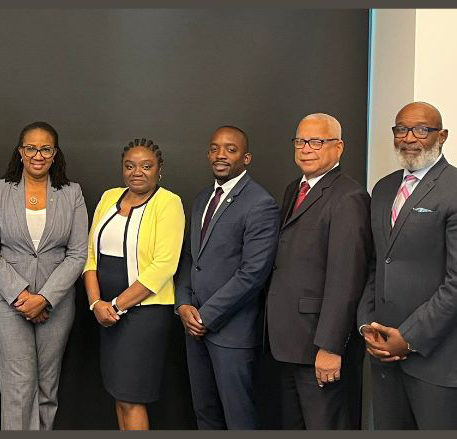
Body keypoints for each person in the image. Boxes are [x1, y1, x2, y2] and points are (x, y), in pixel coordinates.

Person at [0, 121, 87, 430]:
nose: (38, 155)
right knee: (19, 387)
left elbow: (78, 253)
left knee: (47, 388)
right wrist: (23, 296)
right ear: (20, 152)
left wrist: (45, 298)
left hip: (56, 304)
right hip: (7, 304)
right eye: (31, 148)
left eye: (46, 148)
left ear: (55, 153)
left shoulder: (72, 193)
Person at [265, 113, 370, 429]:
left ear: (338, 147)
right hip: (285, 341)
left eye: (316, 141)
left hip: (317, 345)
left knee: (324, 425)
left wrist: (330, 346)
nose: (306, 148)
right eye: (300, 141)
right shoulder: (293, 189)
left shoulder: (349, 197)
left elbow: (346, 278)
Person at [357, 102, 457, 429]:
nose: (409, 137)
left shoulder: (453, 188)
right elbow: (376, 264)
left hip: (436, 361)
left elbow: (455, 284)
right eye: (401, 129)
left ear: (441, 136)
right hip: (382, 355)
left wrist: (409, 337)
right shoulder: (383, 189)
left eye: (422, 130)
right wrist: (367, 326)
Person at [174, 126, 279, 429]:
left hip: (231, 332)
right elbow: (190, 258)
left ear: (246, 158)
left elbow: (253, 274)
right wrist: (183, 306)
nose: (221, 155)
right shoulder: (202, 198)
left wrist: (205, 316)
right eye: (215, 148)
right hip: (192, 324)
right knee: (205, 413)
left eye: (230, 149)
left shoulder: (260, 203)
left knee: (238, 419)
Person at [83, 138, 185, 430]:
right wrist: (95, 304)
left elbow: (164, 266)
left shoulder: (168, 203)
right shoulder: (108, 197)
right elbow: (90, 254)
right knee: (118, 393)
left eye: (146, 166)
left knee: (132, 396)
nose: (137, 172)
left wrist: (115, 306)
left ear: (159, 170)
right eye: (130, 166)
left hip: (143, 315)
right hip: (105, 314)